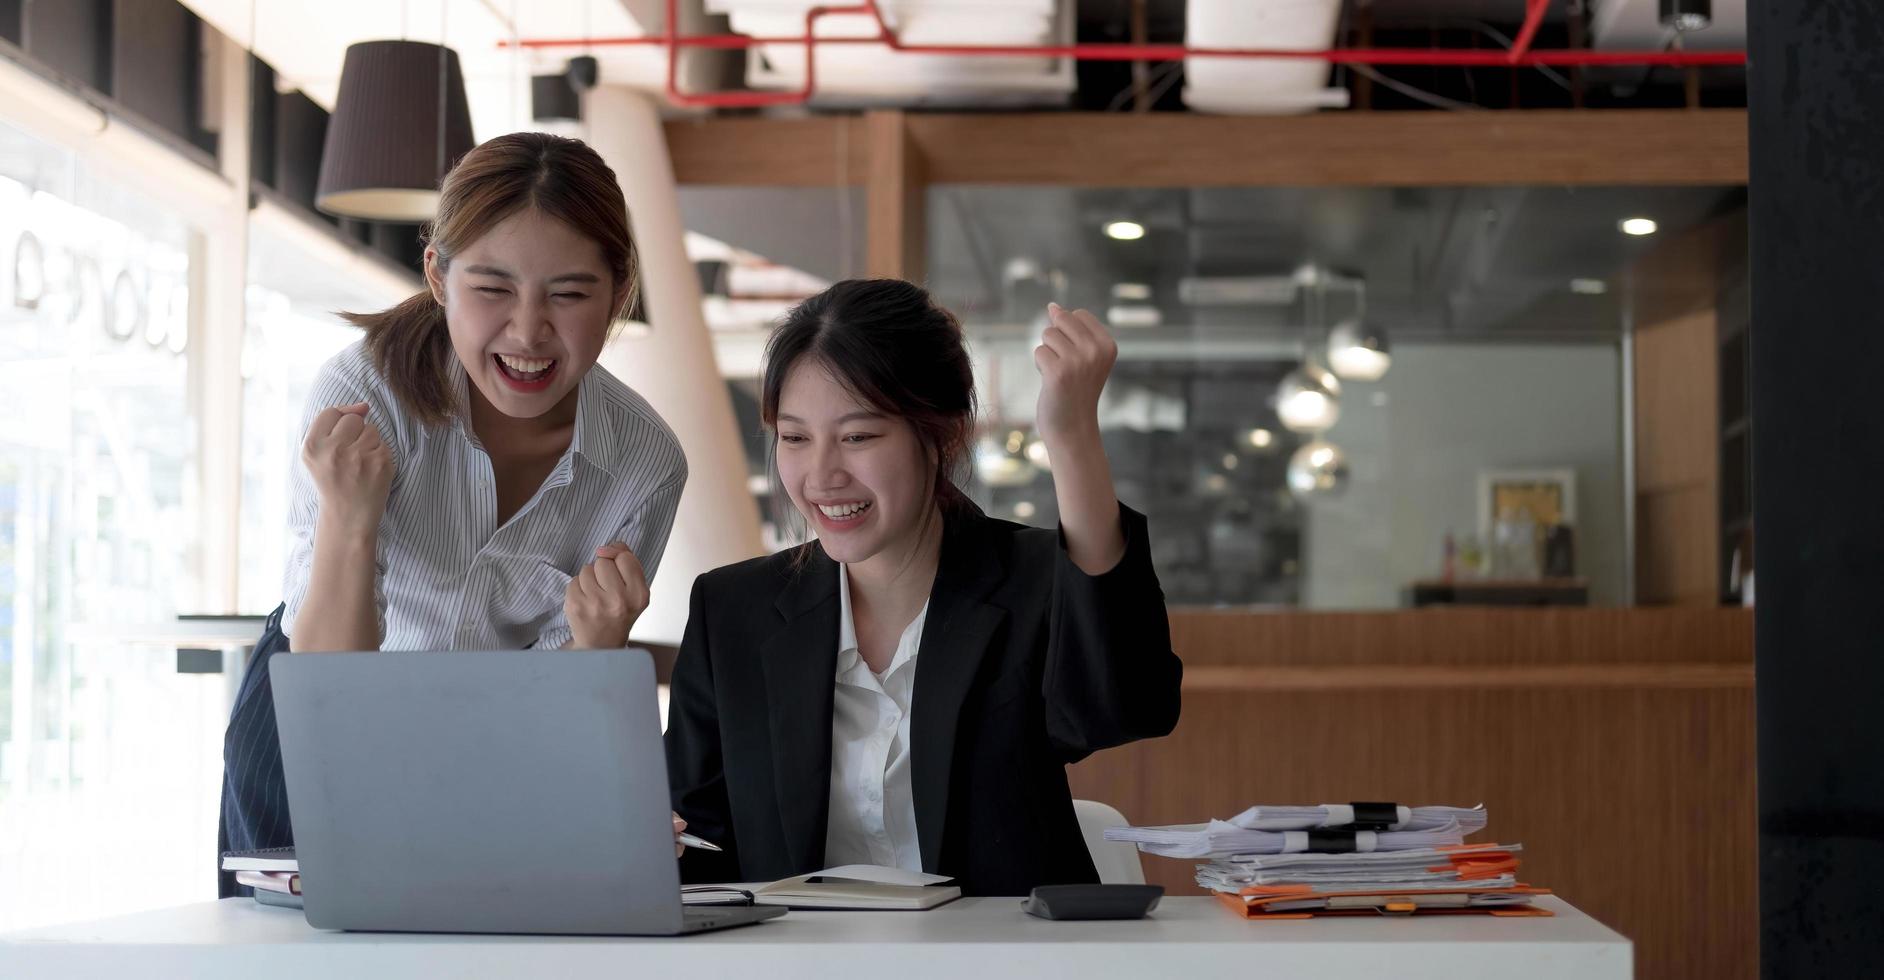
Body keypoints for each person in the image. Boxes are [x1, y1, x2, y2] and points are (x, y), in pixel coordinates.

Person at [219, 132, 688, 893]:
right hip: (313, 713)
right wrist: (351, 519)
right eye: (493, 288)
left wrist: (600, 647)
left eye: (569, 294)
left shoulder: (644, 462)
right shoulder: (363, 395)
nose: (529, 332)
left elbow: (557, 708)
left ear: (619, 289)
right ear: (438, 274)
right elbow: (330, 681)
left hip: (494, 741)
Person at [665, 279, 1182, 896]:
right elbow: (695, 850)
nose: (822, 475)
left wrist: (1071, 438)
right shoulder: (733, 612)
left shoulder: (1031, 581)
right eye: (795, 437)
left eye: (858, 436)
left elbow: (1125, 707)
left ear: (938, 435)